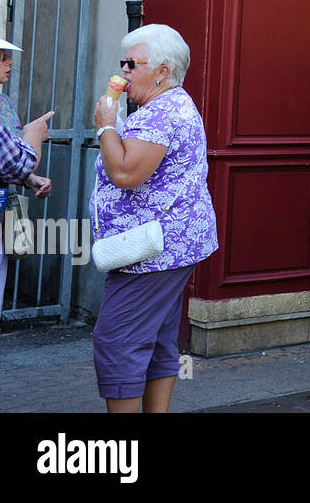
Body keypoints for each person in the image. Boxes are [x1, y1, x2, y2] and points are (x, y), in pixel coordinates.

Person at [90, 25, 217, 412]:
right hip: (175, 245)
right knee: (159, 337)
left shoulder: (159, 113)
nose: (124, 71)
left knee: (118, 339)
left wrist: (106, 125)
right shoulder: (172, 104)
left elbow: (126, 173)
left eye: (133, 63)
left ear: (162, 71)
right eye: (122, 63)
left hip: (151, 251)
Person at [0, 31, 52, 347]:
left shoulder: (2, 104)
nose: (9, 62)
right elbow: (19, 157)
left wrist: (30, 179)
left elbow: (7, 159)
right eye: (0, 56)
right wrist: (34, 135)